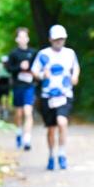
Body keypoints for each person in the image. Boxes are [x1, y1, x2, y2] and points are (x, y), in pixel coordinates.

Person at [31, 24, 80, 170]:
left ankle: (62, 153)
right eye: (56, 39)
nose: (59, 42)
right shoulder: (43, 54)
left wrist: (75, 76)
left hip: (65, 94)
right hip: (48, 95)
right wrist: (41, 75)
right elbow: (34, 71)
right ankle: (52, 155)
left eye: (62, 39)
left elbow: (76, 67)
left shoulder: (70, 53)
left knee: (62, 122)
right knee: (51, 129)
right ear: (51, 40)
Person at [5, 28, 38, 150]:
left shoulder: (33, 53)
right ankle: (19, 132)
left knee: (28, 111)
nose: (23, 39)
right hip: (18, 86)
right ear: (17, 39)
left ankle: (27, 139)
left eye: (25, 37)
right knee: (19, 113)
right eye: (21, 37)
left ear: (28, 38)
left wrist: (33, 72)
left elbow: (37, 68)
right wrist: (20, 67)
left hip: (29, 86)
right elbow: (9, 69)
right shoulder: (13, 54)